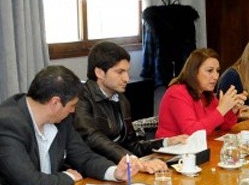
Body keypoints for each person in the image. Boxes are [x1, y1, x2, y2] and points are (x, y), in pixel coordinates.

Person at [0, 65, 139, 185]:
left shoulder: (61, 119)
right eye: (72, 106)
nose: (73, 111)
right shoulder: (5, 125)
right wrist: (68, 176)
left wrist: (115, 173)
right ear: (55, 103)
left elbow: (84, 157)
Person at [73, 41, 187, 174]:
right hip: (92, 172)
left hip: (120, 169)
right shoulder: (80, 98)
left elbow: (133, 146)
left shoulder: (122, 100)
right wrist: (133, 160)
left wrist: (166, 142)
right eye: (120, 72)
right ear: (100, 73)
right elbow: (93, 137)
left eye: (127, 71)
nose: (126, 78)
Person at [155, 48, 247, 138]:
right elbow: (192, 133)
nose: (216, 76)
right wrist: (221, 109)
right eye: (210, 70)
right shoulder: (176, 93)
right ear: (194, 72)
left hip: (196, 148)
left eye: (217, 71)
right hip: (171, 150)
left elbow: (225, 127)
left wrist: (232, 110)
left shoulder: (206, 93)